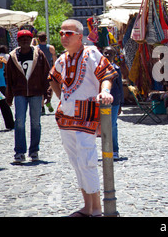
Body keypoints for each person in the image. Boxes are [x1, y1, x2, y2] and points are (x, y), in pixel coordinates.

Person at [49, 19, 117, 217]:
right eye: (61, 33)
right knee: (76, 162)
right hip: (66, 118)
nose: (63, 37)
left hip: (86, 115)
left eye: (68, 34)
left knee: (87, 161)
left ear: (80, 36)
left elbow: (106, 74)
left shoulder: (91, 53)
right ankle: (87, 207)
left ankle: (97, 209)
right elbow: (53, 78)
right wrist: (62, 98)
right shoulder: (62, 59)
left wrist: (105, 92)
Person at [6, 30, 51, 163]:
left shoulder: (39, 54)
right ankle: (19, 152)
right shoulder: (13, 57)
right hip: (20, 93)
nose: (25, 41)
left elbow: (46, 74)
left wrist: (47, 93)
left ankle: (34, 151)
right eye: (22, 39)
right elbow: (8, 78)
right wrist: (9, 97)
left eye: (27, 38)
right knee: (19, 122)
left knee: (35, 123)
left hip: (36, 92)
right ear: (18, 41)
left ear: (31, 40)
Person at [102, 46, 124, 160]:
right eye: (105, 53)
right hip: (100, 101)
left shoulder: (117, 69)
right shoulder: (97, 69)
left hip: (114, 101)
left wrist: (121, 104)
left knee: (113, 125)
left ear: (114, 56)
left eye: (110, 54)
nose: (107, 56)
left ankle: (114, 150)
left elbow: (120, 87)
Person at [37, 32, 57, 114]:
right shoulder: (51, 48)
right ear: (46, 38)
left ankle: (42, 107)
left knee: (41, 88)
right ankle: (48, 99)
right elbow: (54, 59)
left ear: (38, 39)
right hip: (49, 70)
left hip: (39, 70)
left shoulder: (36, 48)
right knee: (51, 86)